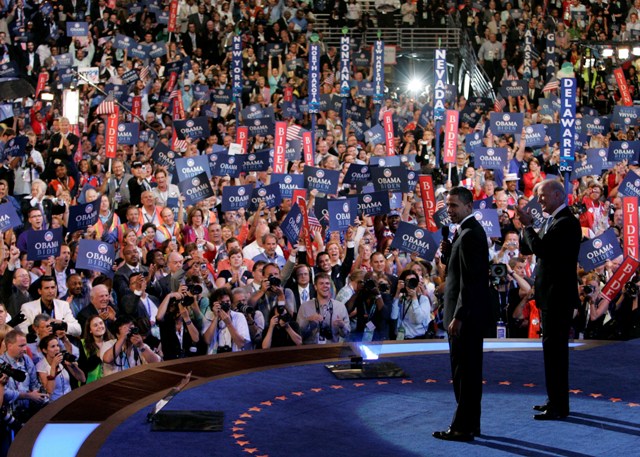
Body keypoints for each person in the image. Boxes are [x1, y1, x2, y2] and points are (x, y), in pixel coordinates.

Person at [516, 179, 581, 420]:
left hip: (558, 297)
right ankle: (554, 400)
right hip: (550, 296)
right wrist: (525, 228)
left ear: (558, 195)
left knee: (556, 353)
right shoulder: (551, 220)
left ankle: (559, 406)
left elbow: (543, 250)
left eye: (542, 195)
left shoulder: (566, 222)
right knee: (551, 352)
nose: (538, 200)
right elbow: (527, 249)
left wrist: (528, 226)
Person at [434, 186, 490, 442]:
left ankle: (462, 427)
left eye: (454, 205)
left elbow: (470, 281)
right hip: (467, 315)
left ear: (469, 206)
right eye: (448, 205)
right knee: (468, 372)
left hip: (464, 318)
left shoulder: (469, 234)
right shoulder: (465, 232)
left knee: (464, 373)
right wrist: (448, 253)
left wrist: (458, 316)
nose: (449, 210)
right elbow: (459, 271)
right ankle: (471, 424)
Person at [36, 334, 86, 401]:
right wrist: (54, 366)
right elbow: (49, 391)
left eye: (57, 345)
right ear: (45, 350)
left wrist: (74, 367)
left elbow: (82, 379)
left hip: (69, 399)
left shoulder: (63, 360)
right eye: (53, 346)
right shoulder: (41, 365)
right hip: (55, 402)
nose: (57, 349)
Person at [79, 315, 114, 383]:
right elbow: (84, 367)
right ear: (90, 330)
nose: (100, 326)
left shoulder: (112, 342)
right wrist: (98, 354)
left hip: (111, 380)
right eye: (95, 325)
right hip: (92, 384)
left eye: (101, 323)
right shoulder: (82, 344)